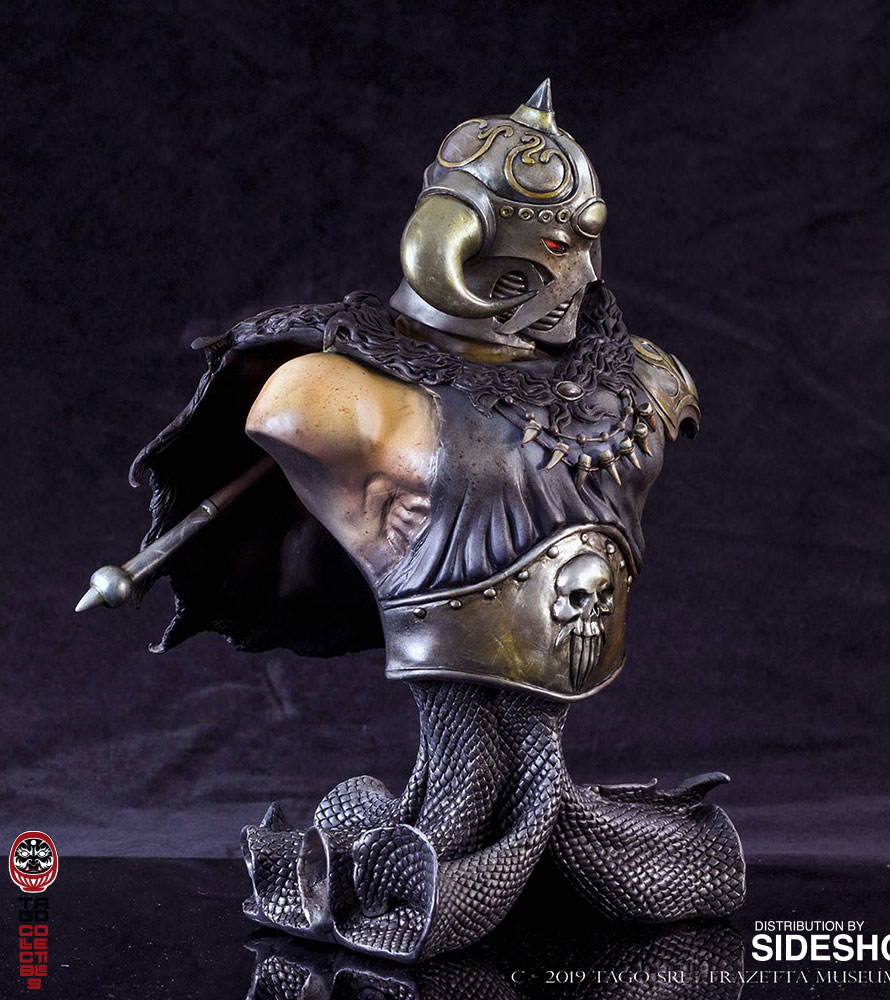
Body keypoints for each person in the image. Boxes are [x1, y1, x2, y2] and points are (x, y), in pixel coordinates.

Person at [128, 80, 744, 961]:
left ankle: (532, 834)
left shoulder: (635, 377)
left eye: (585, 240)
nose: (582, 276)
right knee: (467, 761)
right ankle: (447, 855)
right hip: (445, 638)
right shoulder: (326, 394)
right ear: (469, 244)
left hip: (558, 649)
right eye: (561, 244)